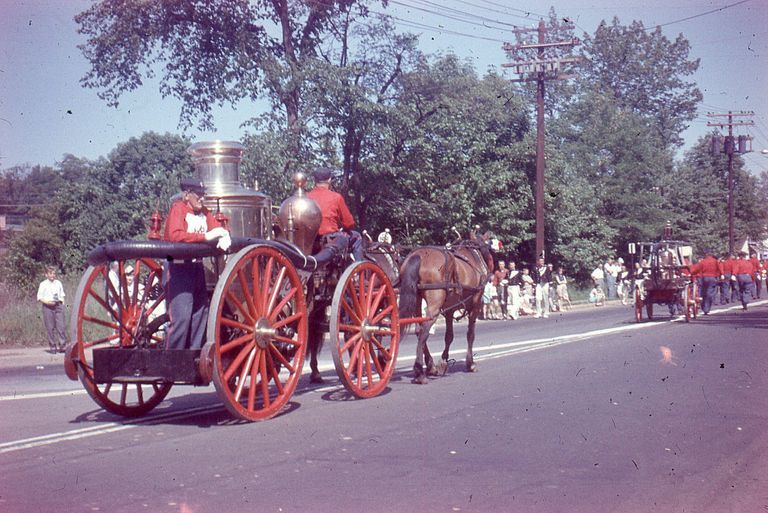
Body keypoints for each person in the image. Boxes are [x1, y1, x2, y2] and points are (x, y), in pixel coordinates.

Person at [164, 177, 231, 350]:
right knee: (181, 318)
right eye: (198, 195)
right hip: (178, 268)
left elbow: (218, 228)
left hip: (196, 268)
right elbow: (176, 236)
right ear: (187, 195)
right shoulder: (178, 209)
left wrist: (224, 235)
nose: (202, 198)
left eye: (203, 194)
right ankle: (173, 361)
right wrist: (205, 237)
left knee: (200, 314)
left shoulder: (205, 212)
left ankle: (193, 358)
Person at [37, 266, 67, 353]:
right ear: (46, 275)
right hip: (48, 307)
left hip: (58, 306)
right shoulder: (43, 284)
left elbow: (62, 295)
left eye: (54, 273)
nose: (53, 275)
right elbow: (39, 298)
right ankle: (52, 346)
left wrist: (62, 303)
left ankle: (62, 345)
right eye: (50, 273)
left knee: (61, 326)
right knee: (50, 328)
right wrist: (47, 302)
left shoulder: (58, 283)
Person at [689, 248, 720, 315]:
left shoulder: (703, 261)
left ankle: (703, 306)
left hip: (704, 278)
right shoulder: (715, 261)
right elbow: (719, 269)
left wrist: (692, 273)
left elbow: (697, 269)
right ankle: (706, 308)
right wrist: (718, 276)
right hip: (712, 278)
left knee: (703, 292)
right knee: (710, 293)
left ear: (706, 254)